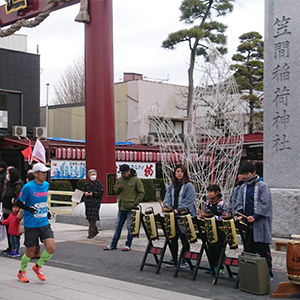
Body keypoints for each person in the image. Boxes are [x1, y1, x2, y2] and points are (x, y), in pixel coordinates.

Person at [16, 163, 55, 283]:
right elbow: (19, 202)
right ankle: (21, 272)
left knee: (51, 248)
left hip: (43, 222)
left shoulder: (46, 185)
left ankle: (38, 267)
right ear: (35, 174)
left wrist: (47, 211)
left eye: (46, 172)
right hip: (31, 224)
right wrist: (29, 209)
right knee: (30, 252)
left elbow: (42, 201)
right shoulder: (28, 187)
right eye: (42, 172)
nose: (45, 174)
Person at [235, 162, 273, 282]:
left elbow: (265, 203)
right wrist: (240, 214)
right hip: (247, 223)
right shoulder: (243, 187)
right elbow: (239, 202)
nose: (245, 176)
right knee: (248, 249)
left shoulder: (262, 186)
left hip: (259, 222)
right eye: (243, 174)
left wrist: (255, 216)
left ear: (254, 173)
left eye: (247, 174)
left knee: (262, 248)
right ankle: (251, 274)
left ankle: (268, 273)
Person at [104, 164, 145, 251]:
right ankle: (113, 244)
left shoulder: (136, 180)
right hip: (121, 207)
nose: (123, 174)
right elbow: (115, 192)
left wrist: (135, 203)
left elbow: (141, 193)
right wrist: (118, 188)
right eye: (121, 173)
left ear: (129, 171)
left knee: (130, 227)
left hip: (131, 207)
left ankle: (128, 244)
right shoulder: (119, 180)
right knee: (118, 226)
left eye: (124, 173)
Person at [162, 164, 196, 268]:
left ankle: (185, 259)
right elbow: (167, 198)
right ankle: (174, 258)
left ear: (184, 173)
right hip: (172, 215)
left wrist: (178, 210)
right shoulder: (171, 185)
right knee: (172, 237)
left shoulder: (189, 186)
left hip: (184, 216)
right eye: (177, 171)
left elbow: (189, 201)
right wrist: (166, 207)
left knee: (184, 237)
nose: (179, 173)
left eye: (181, 171)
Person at [203, 184, 228, 275]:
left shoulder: (221, 204)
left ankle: (220, 266)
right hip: (210, 228)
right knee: (210, 247)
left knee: (219, 248)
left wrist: (214, 217)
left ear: (217, 193)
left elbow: (225, 216)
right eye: (208, 192)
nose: (209, 194)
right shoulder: (207, 203)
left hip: (219, 229)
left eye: (211, 192)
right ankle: (212, 265)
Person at [1, 167, 23, 255]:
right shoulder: (8, 183)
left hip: (12, 210)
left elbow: (18, 198)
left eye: (9, 173)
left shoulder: (18, 185)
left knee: (13, 230)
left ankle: (14, 248)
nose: (7, 175)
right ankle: (10, 246)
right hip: (6, 208)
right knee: (8, 229)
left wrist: (15, 206)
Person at [82, 169, 104, 238]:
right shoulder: (86, 184)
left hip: (95, 202)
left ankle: (91, 233)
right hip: (88, 203)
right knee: (88, 216)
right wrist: (85, 193)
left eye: (94, 174)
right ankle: (95, 230)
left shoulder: (99, 184)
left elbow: (101, 192)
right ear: (89, 176)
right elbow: (82, 191)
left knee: (93, 218)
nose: (93, 176)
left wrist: (93, 194)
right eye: (92, 174)